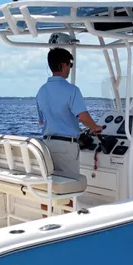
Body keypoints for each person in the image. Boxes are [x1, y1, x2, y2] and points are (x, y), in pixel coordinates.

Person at [36, 48, 101, 178]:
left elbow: (41, 121)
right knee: (70, 186)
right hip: (66, 146)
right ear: (64, 65)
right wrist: (95, 127)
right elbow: (83, 117)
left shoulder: (41, 91)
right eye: (70, 65)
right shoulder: (72, 90)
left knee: (53, 185)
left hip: (47, 145)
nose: (70, 68)